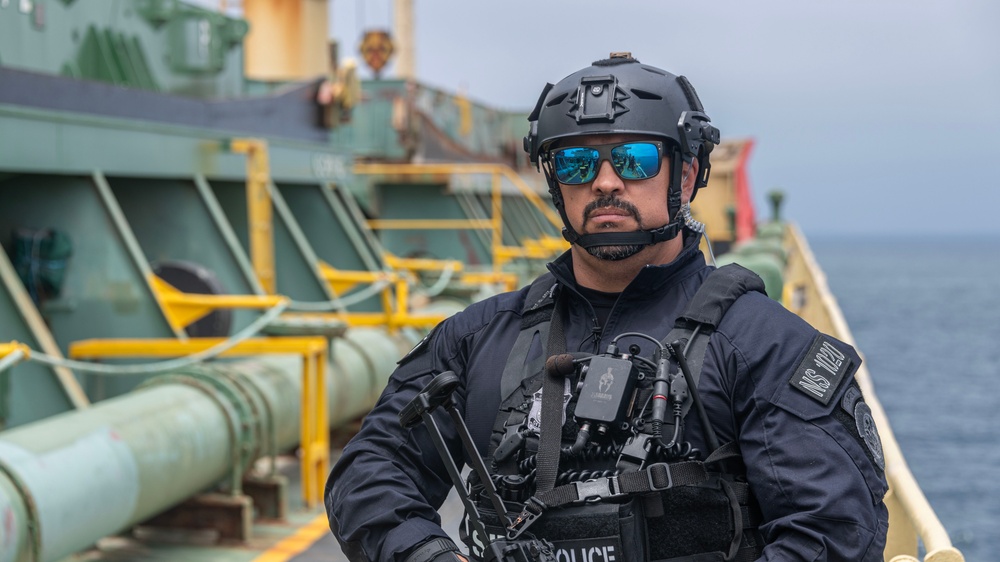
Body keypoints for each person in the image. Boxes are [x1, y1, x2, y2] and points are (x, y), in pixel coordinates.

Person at [326, 53, 888, 562]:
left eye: (635, 159)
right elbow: (371, 471)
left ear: (686, 174)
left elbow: (834, 530)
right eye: (575, 164)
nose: (604, 182)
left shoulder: (763, 344)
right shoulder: (477, 340)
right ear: (555, 184)